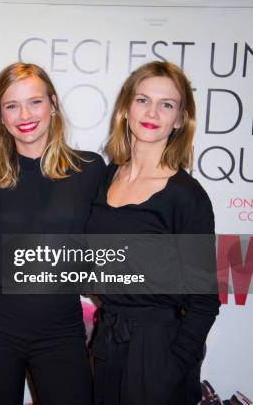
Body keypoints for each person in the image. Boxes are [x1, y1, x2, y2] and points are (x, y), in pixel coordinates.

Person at [0, 63, 105, 404]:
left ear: (53, 104)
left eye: (35, 102)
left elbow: (100, 248)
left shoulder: (89, 170)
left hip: (61, 327)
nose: (24, 114)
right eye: (11, 106)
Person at [85, 61, 221, 404]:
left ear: (179, 119)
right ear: (126, 107)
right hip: (107, 341)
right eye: (143, 100)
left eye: (167, 104)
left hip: (159, 349)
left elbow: (204, 300)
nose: (153, 112)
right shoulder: (105, 178)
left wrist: (173, 365)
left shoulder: (186, 196)